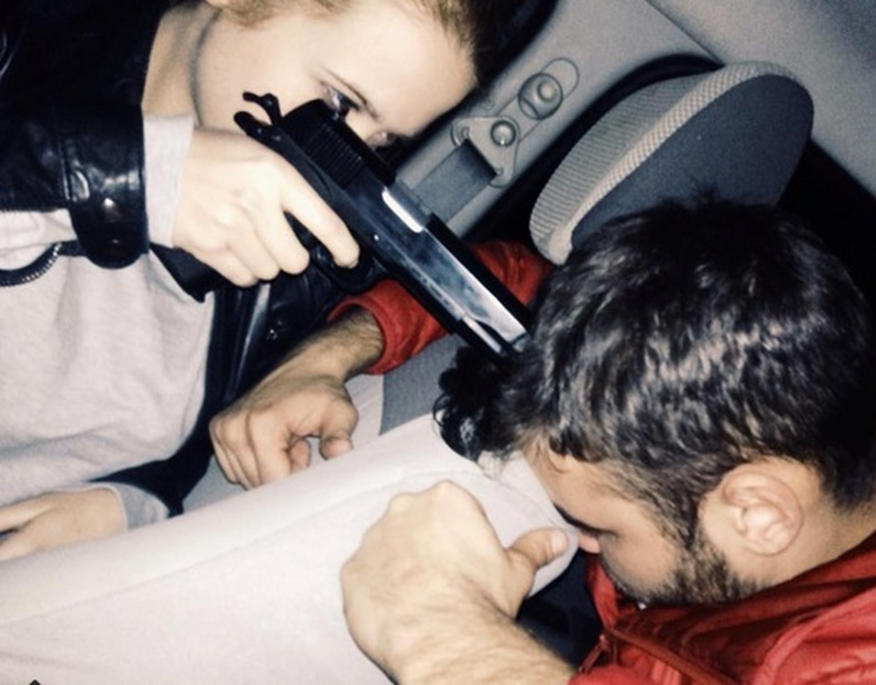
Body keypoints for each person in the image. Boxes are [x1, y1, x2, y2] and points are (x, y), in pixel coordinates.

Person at [337, 202, 876, 682]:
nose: (581, 541)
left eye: (601, 527)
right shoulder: (798, 394)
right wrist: (336, 351)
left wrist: (443, 637)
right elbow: (514, 279)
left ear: (759, 514)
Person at [0, 0, 538, 559]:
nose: (342, 161)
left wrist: (131, 501)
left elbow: (181, 443)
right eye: (340, 102)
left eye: (381, 142)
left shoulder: (288, 268)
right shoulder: (22, 47)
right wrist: (135, 174)